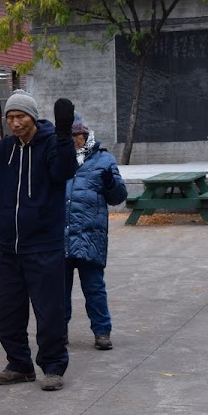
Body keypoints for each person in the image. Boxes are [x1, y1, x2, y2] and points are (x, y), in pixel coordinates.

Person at [0, 91, 78, 391]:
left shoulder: (50, 143)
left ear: (33, 118)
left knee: (49, 312)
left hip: (44, 246)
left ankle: (53, 367)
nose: (15, 122)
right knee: (7, 312)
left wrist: (63, 134)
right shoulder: (5, 148)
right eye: (10, 117)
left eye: (20, 116)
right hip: (9, 247)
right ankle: (20, 364)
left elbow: (64, 170)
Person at [64, 115, 127, 351]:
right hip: (60, 236)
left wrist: (111, 182)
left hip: (91, 236)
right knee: (58, 291)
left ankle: (102, 332)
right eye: (68, 136)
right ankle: (59, 332)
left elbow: (119, 197)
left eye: (76, 136)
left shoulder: (104, 160)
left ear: (86, 135)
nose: (72, 141)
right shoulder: (58, 160)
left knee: (94, 288)